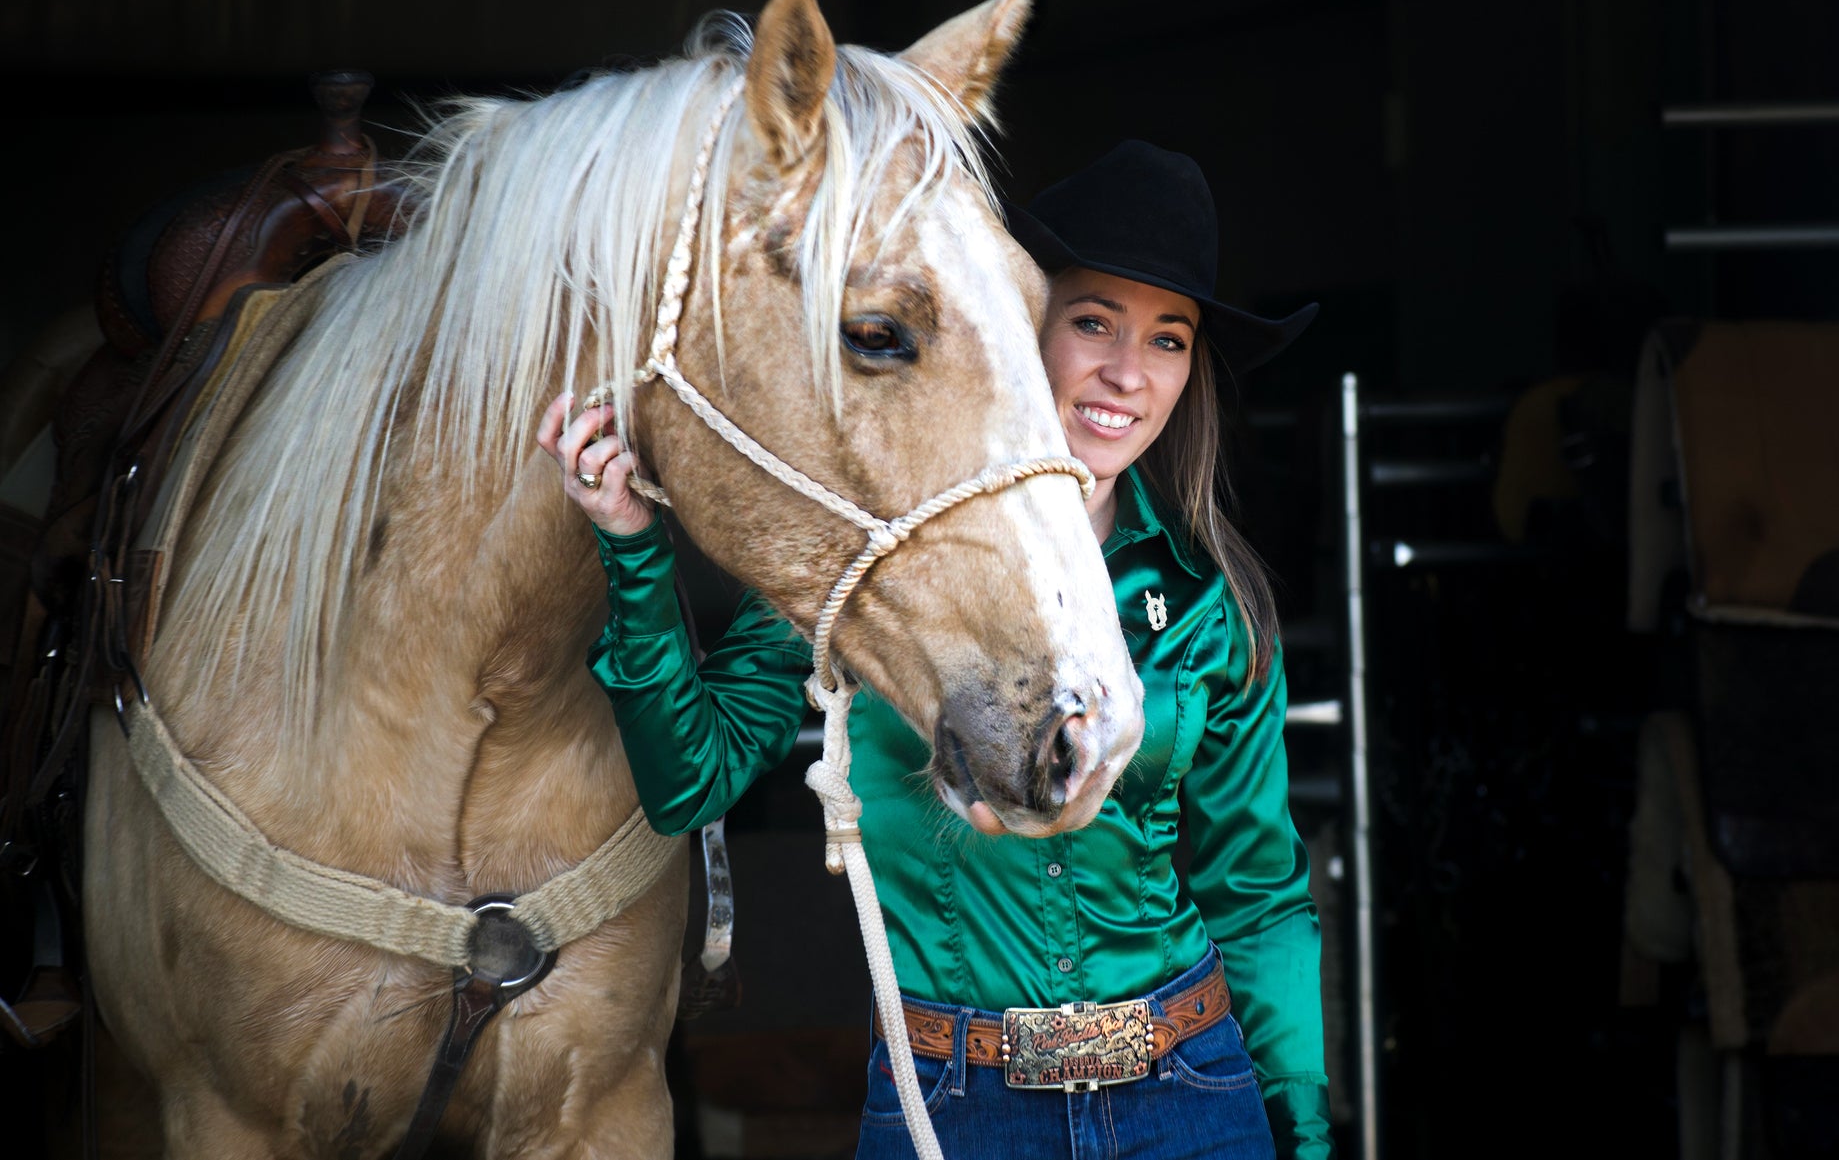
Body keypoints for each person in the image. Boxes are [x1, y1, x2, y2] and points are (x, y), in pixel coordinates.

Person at [540, 140, 1330, 1159]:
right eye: (1090, 321)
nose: (1126, 374)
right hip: (954, 1105)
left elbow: (1255, 895)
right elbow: (691, 779)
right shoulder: (867, 572)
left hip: (1187, 1088)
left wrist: (1300, 1130)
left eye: (1167, 340)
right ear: (1016, 325)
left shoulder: (1202, 601)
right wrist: (632, 552)